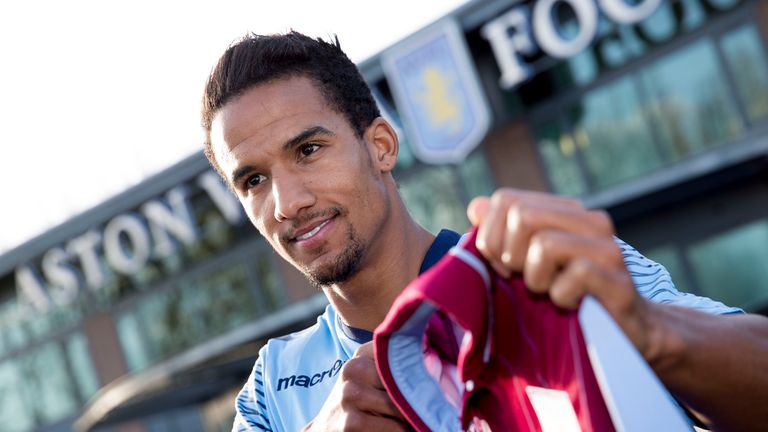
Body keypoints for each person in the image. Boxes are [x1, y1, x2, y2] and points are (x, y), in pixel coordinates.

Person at [200, 31, 768, 432]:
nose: (287, 201)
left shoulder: (545, 272)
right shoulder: (274, 390)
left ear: (380, 145)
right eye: (252, 180)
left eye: (309, 150)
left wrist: (646, 332)